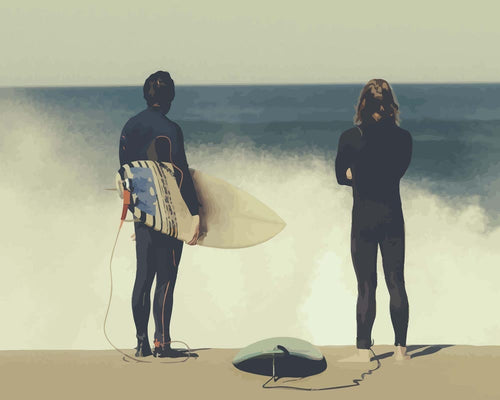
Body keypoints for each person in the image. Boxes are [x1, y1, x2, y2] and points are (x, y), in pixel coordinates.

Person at [119, 71, 200, 358]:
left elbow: (125, 175)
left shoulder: (129, 127)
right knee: (166, 276)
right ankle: (161, 344)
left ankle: (141, 343)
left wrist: (135, 213)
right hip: (169, 214)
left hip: (143, 212)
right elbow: (180, 174)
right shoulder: (170, 129)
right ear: (170, 97)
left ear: (145, 95)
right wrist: (194, 213)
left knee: (143, 275)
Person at [335, 79, 412, 362]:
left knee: (366, 285)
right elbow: (397, 171)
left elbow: (340, 176)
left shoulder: (349, 137)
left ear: (362, 103)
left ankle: (363, 351)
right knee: (396, 282)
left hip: (363, 219)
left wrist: (357, 173)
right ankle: (401, 351)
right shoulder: (404, 138)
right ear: (391, 104)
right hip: (393, 216)